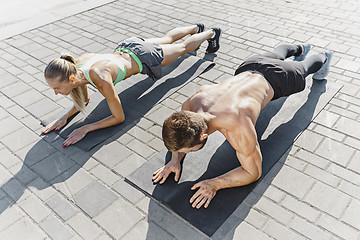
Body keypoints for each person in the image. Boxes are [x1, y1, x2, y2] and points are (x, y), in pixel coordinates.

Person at [153, 43, 333, 209]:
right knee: (277, 53)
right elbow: (181, 135)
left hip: (279, 78)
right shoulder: (190, 107)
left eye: (189, 150)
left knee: (305, 67)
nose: (186, 152)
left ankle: (325, 55)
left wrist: (215, 184)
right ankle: (300, 48)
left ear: (203, 136)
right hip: (250, 64)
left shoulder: (238, 126)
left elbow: (252, 172)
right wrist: (174, 160)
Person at [42, 24, 222, 147]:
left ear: (71, 80)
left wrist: (86, 127)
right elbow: (85, 99)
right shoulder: (76, 65)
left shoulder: (101, 79)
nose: (56, 93)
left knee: (183, 48)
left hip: (145, 57)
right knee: (167, 39)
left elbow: (118, 117)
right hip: (128, 45)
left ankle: (211, 33)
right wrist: (65, 117)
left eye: (57, 88)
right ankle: (196, 27)